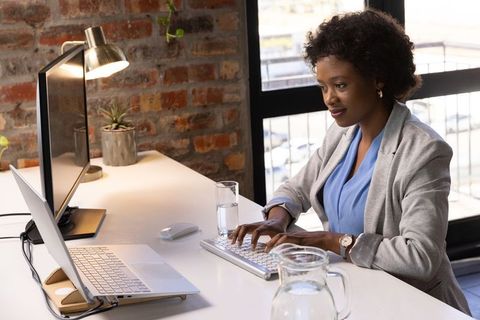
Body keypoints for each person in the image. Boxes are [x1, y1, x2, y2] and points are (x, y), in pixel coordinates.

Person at [231, 9, 471, 315]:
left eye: (340, 85)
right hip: (356, 290)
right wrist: (277, 218)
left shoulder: (424, 152)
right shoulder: (343, 134)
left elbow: (421, 257)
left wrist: (333, 241)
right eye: (323, 86)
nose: (329, 99)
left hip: (412, 304)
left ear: (377, 79)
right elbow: (297, 189)